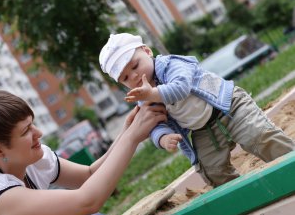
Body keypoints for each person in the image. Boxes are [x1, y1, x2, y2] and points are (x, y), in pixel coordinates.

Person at [99, 33, 295, 187]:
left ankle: (290, 163)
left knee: (258, 136)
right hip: (203, 130)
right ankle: (249, 195)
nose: (133, 76)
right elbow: (153, 124)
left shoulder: (172, 64)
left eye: (135, 65)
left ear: (147, 51)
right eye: (125, 78)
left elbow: (181, 87)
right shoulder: (144, 98)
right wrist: (162, 137)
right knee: (212, 171)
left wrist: (152, 94)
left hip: (228, 106)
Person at [0, 90, 167, 215]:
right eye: (26, 131)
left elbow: (89, 175)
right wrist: (132, 139)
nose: (39, 134)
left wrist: (126, 133)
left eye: (32, 125)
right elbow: (87, 201)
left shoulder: (30, 158)